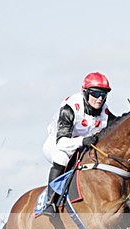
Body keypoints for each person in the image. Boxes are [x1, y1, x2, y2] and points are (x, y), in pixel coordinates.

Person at [41, 72, 114, 215]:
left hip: (84, 146)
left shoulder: (104, 110)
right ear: (85, 92)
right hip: (57, 143)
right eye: (95, 93)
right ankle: (50, 202)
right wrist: (82, 141)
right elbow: (62, 143)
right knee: (62, 157)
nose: (100, 99)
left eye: (104, 94)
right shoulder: (70, 108)